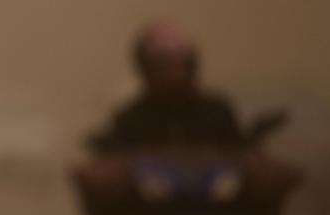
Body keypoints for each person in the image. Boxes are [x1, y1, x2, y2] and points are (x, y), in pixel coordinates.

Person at [90, 20, 243, 154]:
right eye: (163, 65)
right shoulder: (131, 119)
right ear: (146, 70)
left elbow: (242, 155)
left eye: (181, 64)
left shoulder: (217, 113)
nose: (175, 73)